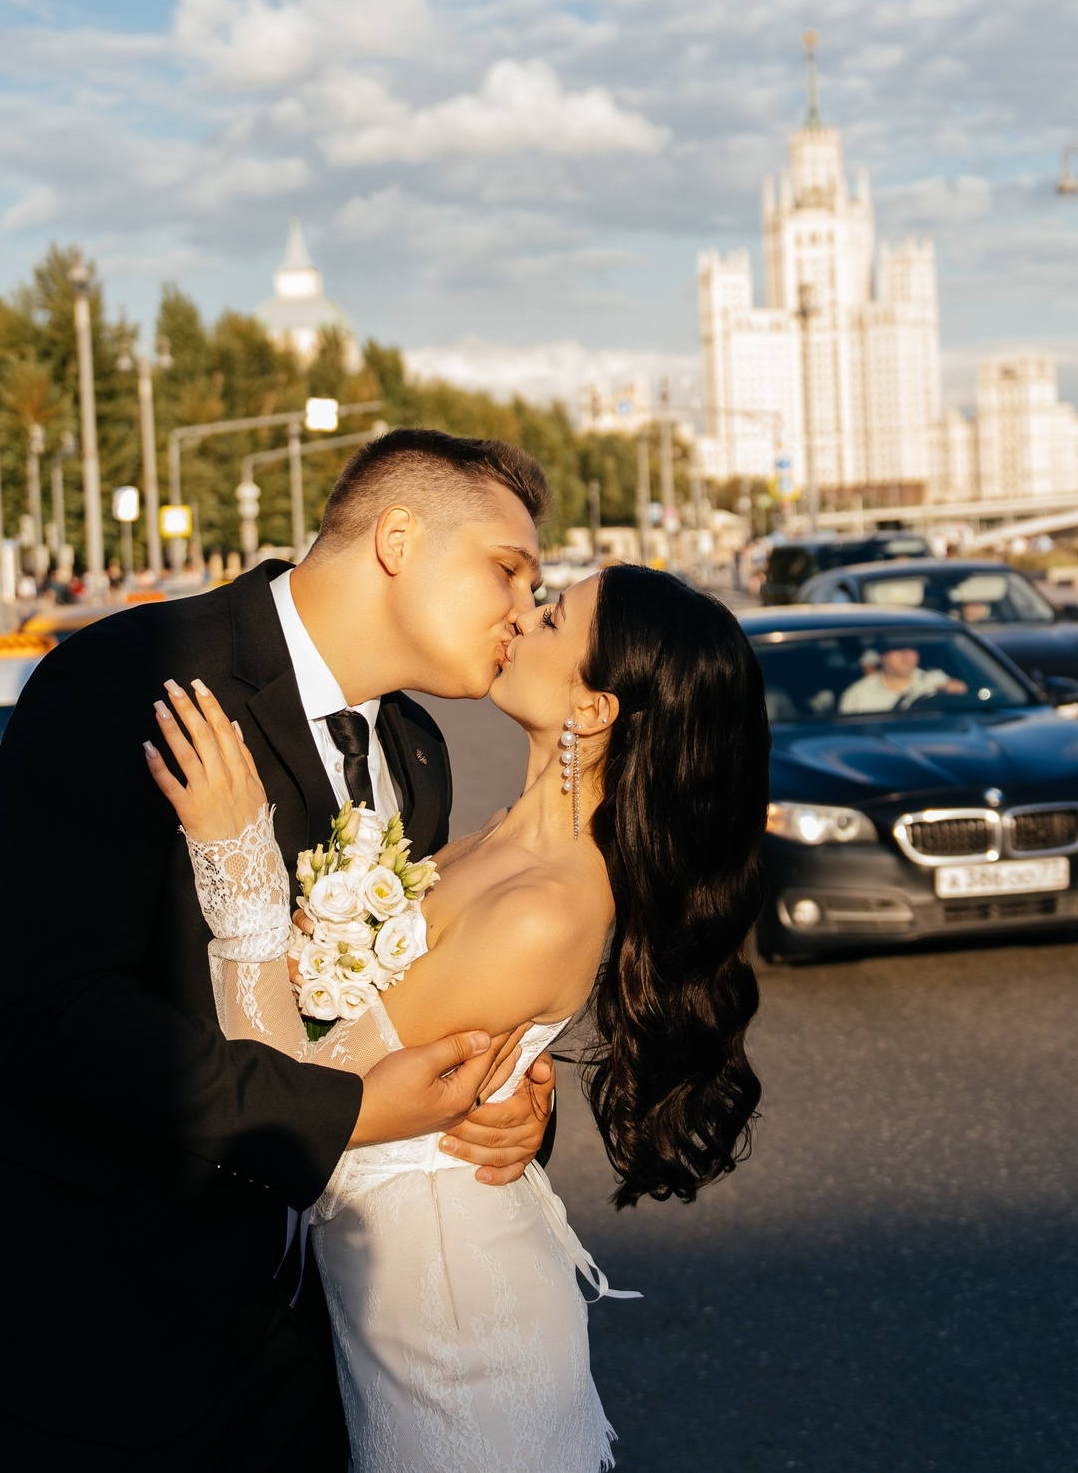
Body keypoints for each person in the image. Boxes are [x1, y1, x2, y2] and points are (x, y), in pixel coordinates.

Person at [0, 429, 565, 1471]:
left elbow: (379, 1012)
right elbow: (52, 1015)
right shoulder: (131, 680)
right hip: (73, 1318)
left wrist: (498, 1099)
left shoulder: (412, 754)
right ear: (399, 538)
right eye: (507, 569)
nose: (522, 610)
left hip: (295, 1327)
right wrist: (353, 1114)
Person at [145, 561, 766, 1471]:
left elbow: (285, 1090)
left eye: (550, 617)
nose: (519, 618)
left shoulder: (544, 908)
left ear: (593, 710)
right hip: (393, 1303)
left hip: (456, 1332)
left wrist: (234, 848)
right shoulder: (491, 836)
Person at [838, 642, 966, 713]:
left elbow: (961, 692)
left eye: (911, 649)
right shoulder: (858, 694)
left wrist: (954, 689)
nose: (907, 655)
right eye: (898, 648)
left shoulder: (933, 681)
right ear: (883, 657)